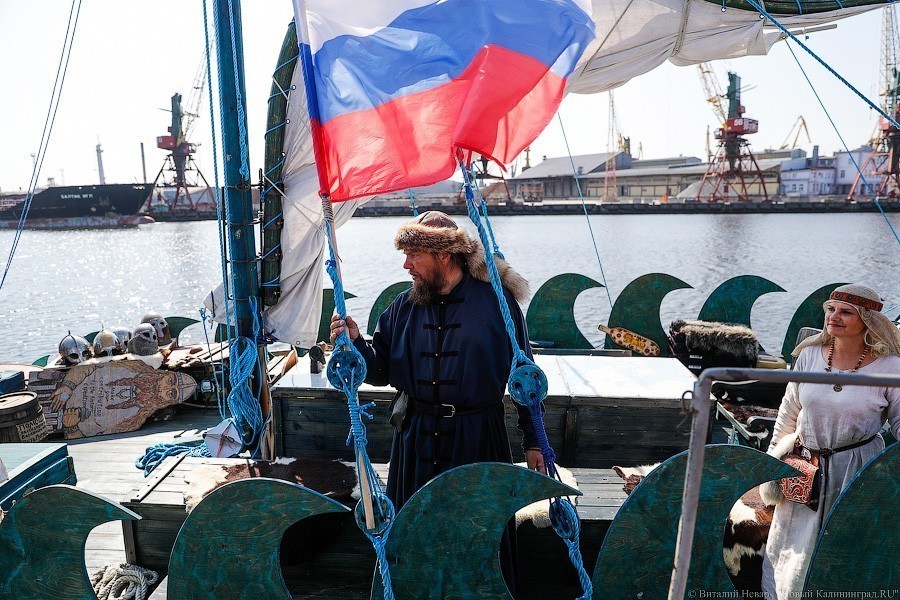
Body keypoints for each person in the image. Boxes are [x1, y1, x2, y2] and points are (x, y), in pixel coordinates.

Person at [330, 210, 545, 595]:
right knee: (413, 536)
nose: (406, 264)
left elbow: (525, 378)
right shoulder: (402, 307)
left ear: (443, 255)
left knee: (479, 536)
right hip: (416, 441)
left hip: (478, 439)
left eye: (414, 255)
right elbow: (379, 370)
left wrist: (534, 441)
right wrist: (355, 342)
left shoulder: (498, 305)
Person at [760, 284, 900, 599]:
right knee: (791, 546)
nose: (833, 317)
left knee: (846, 546)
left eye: (845, 312)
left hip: (856, 469)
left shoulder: (891, 366)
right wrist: (770, 467)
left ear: (868, 320)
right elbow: (788, 416)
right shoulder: (809, 355)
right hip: (804, 467)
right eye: (830, 309)